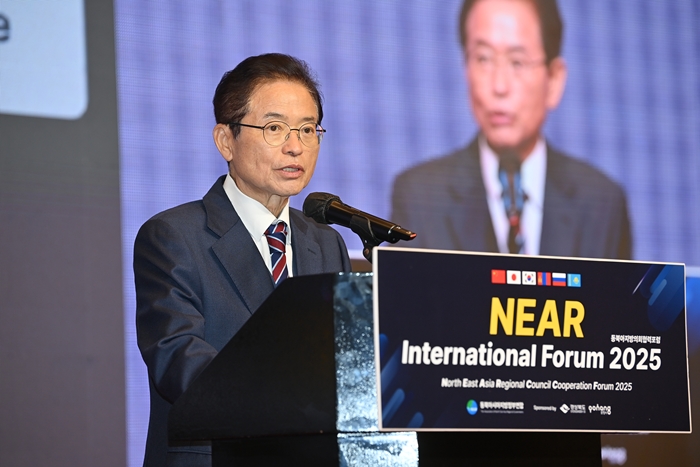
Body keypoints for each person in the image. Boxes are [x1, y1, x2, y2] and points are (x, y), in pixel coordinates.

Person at [134, 53, 351, 467]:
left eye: (308, 129)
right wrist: (296, 403)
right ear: (225, 140)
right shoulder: (174, 236)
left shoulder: (326, 243)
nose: (295, 146)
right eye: (274, 128)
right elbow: (177, 358)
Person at [391, 0, 631, 259]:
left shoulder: (601, 203)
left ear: (554, 79)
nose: (499, 86)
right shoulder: (421, 196)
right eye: (483, 59)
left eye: (517, 62)